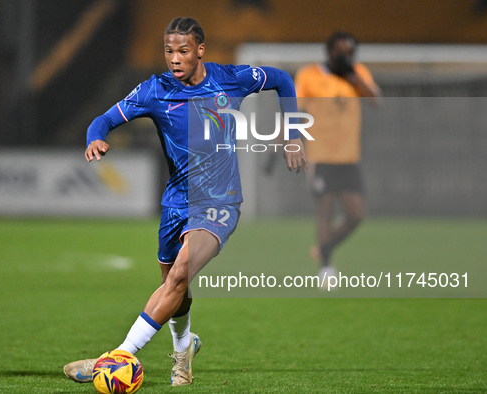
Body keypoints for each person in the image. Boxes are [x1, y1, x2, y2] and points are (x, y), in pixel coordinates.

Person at [63, 17, 307, 387]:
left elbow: (282, 80)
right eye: (168, 51)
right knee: (175, 290)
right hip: (175, 203)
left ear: (200, 51)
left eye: (183, 51)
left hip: (220, 203)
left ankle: (117, 357)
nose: (174, 59)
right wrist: (93, 138)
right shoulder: (154, 90)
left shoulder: (230, 79)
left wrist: (292, 134)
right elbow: (103, 120)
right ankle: (184, 348)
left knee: (177, 276)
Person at [294, 32, 380, 286]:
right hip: (321, 155)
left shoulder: (358, 73)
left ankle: (323, 247)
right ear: (329, 50)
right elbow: (296, 111)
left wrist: (352, 76)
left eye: (350, 52)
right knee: (326, 211)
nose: (346, 56)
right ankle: (326, 266)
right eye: (341, 51)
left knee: (355, 215)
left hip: (349, 156)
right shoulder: (309, 75)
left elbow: (375, 100)